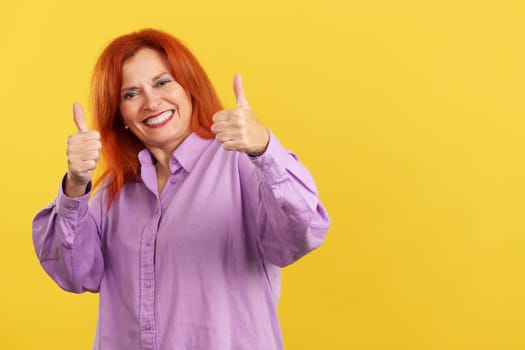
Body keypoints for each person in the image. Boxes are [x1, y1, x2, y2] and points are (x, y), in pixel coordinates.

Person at [32, 28, 330, 350]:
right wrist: (76, 184)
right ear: (120, 116)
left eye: (162, 82)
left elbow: (303, 233)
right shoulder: (112, 193)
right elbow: (73, 274)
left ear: (189, 87)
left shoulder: (239, 163)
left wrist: (265, 149)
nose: (151, 102)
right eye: (131, 94)